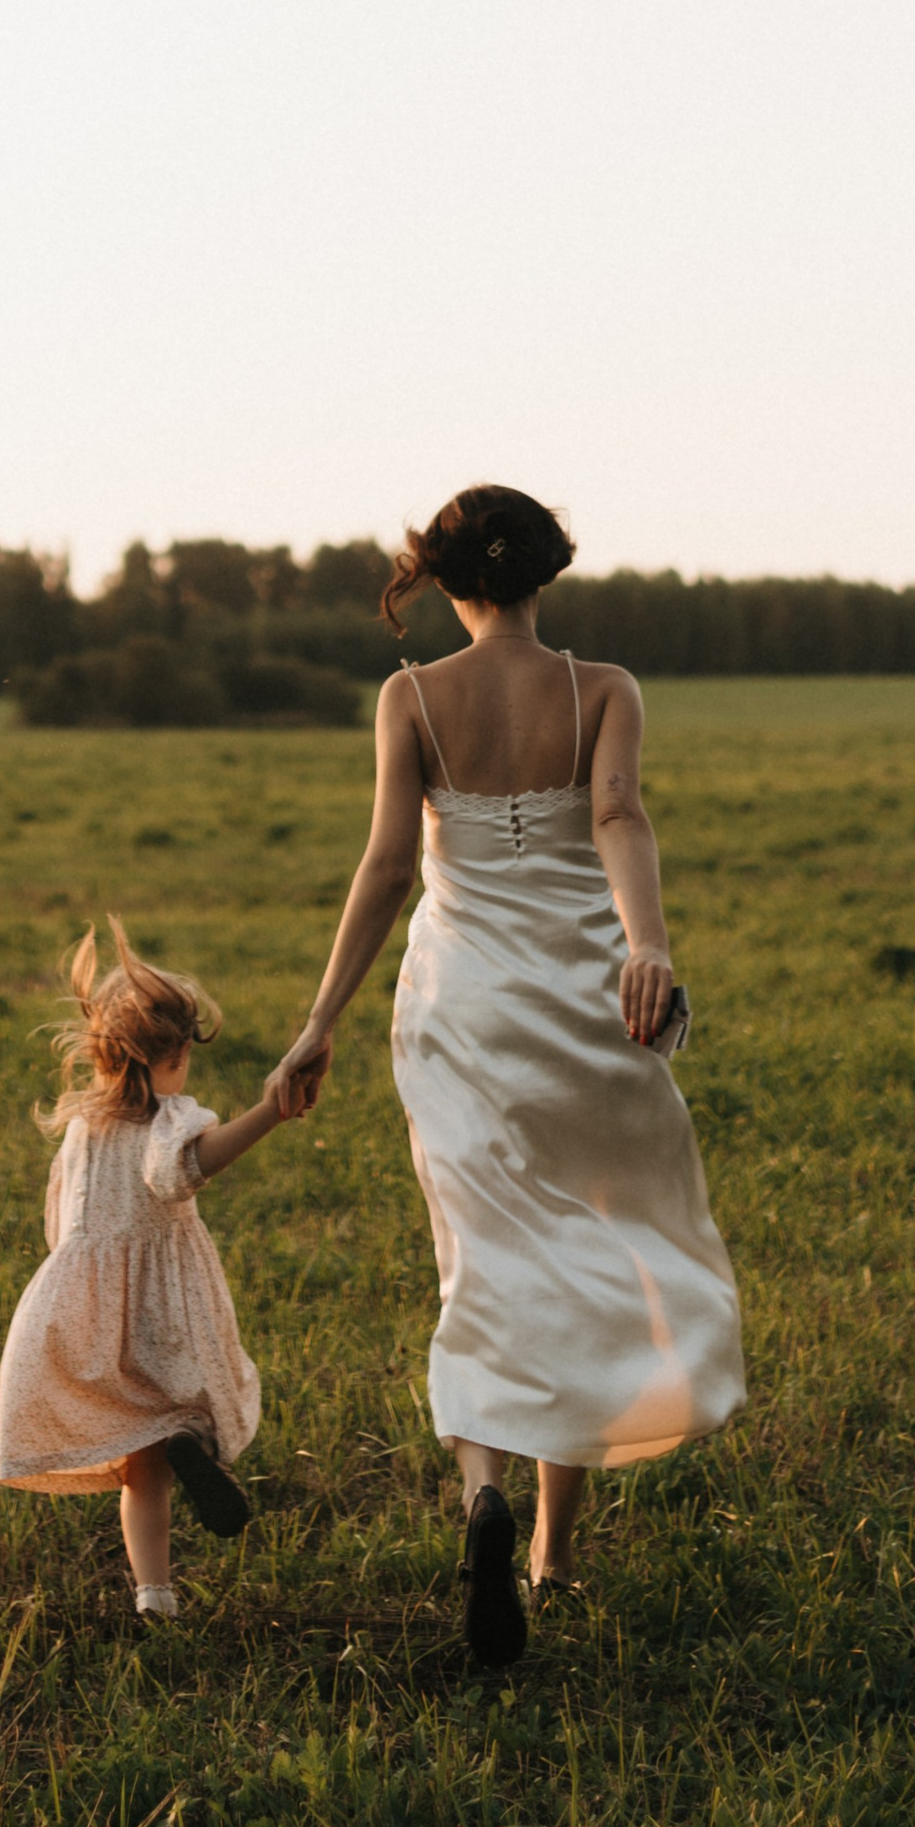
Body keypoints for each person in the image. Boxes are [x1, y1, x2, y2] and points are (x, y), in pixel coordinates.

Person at [265, 483, 744, 1667]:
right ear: (546, 571)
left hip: (463, 1012)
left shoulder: (410, 696)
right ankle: (551, 1553)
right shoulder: (604, 689)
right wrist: (646, 945)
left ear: (442, 578)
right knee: (587, 1255)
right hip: (584, 1009)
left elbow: (386, 864)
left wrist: (318, 1017)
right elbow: (621, 815)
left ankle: (480, 1489)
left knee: (478, 1260)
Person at [0, 919, 285, 1620]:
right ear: (176, 1054)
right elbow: (180, 1171)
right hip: (162, 1297)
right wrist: (270, 1113)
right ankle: (196, 1445)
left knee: (137, 1458)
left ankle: (154, 1594)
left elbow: (61, 1214)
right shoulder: (169, 1121)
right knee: (198, 1409)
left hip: (85, 1302)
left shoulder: (83, 1125)